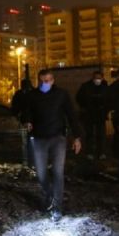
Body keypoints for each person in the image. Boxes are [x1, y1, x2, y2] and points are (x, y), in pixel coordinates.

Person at [22, 68, 82, 222]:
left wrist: (77, 137)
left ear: (53, 80)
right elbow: (27, 111)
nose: (44, 83)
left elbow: (71, 115)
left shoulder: (61, 94)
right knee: (41, 174)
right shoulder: (32, 95)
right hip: (39, 139)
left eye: (47, 80)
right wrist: (28, 121)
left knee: (57, 173)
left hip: (58, 139)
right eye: (41, 81)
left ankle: (57, 208)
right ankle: (49, 195)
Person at [76, 70, 109, 160]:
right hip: (89, 114)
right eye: (96, 78)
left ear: (102, 78)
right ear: (93, 78)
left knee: (101, 135)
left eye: (99, 78)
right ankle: (89, 152)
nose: (97, 80)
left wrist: (104, 108)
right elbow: (79, 97)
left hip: (100, 114)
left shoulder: (105, 87)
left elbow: (108, 99)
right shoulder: (86, 86)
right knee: (89, 135)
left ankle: (101, 152)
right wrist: (85, 106)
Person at [11, 78, 35, 168]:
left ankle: (27, 160)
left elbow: (14, 107)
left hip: (25, 121)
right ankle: (32, 160)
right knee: (30, 141)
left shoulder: (19, 94)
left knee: (25, 142)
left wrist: (17, 115)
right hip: (32, 121)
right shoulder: (34, 93)